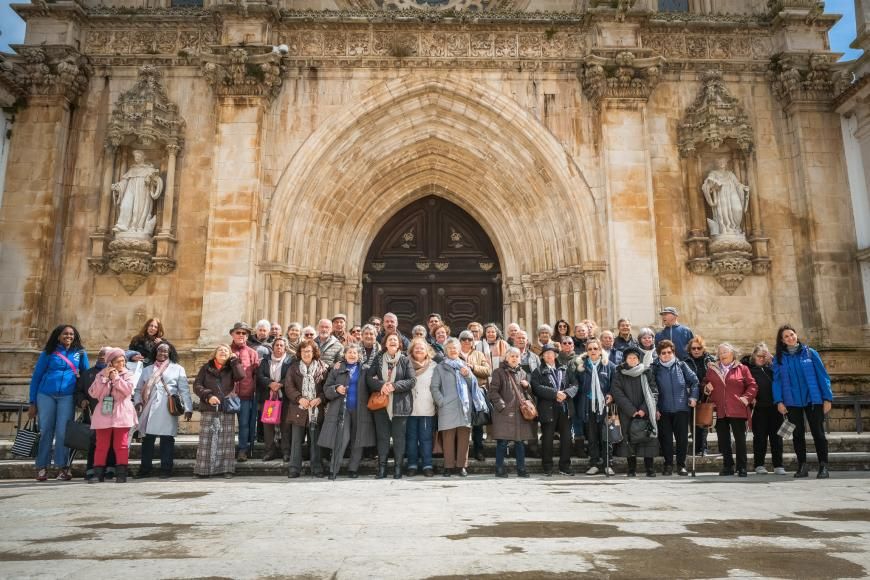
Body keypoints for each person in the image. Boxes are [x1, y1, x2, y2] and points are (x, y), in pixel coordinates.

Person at [29, 324, 89, 482]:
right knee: (46, 430)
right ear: (58, 336)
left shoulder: (80, 353)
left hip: (67, 396)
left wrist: (83, 398)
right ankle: (42, 467)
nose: (68, 336)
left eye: (71, 334)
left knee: (63, 432)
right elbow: (36, 377)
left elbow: (86, 376)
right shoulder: (48, 352)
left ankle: (63, 467)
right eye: (65, 334)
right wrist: (32, 402)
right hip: (46, 395)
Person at [772, 324, 833, 479]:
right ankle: (802, 466)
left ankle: (823, 466)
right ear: (782, 340)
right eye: (786, 336)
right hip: (791, 401)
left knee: (818, 433)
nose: (790, 338)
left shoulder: (810, 353)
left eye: (792, 334)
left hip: (813, 399)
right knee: (797, 435)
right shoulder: (779, 358)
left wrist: (827, 398)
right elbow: (777, 381)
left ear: (796, 335)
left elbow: (822, 376)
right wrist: (779, 401)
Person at [133, 342, 193, 478]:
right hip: (149, 408)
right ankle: (145, 469)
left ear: (170, 353)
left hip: (167, 407)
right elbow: (138, 389)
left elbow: (184, 390)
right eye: (160, 350)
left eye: (165, 351)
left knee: (167, 439)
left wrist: (188, 408)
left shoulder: (177, 369)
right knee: (147, 440)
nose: (162, 353)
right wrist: (137, 402)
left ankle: (166, 469)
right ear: (155, 352)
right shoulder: (147, 369)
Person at [319, 344, 376, 479]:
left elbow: (373, 383)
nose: (352, 355)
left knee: (358, 438)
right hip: (341, 409)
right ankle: (334, 468)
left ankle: (353, 469)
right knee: (341, 438)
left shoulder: (365, 369)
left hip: (360, 409)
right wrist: (336, 389)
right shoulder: (337, 368)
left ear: (359, 355)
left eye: (354, 353)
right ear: (344, 355)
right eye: (349, 352)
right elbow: (326, 389)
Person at [703, 343, 757, 478]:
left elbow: (752, 385)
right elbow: (704, 383)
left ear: (732, 353)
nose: (722, 355)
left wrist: (746, 398)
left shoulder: (742, 368)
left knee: (740, 439)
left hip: (737, 408)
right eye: (720, 352)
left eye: (725, 352)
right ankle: (728, 466)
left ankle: (742, 467)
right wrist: (706, 387)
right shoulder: (712, 369)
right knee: (723, 440)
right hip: (719, 408)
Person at [366, 333, 416, 479]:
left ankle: (398, 469)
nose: (393, 341)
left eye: (395, 339)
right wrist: (382, 385)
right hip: (381, 406)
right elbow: (369, 377)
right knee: (383, 437)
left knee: (399, 438)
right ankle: (382, 469)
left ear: (399, 344)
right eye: (390, 339)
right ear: (385, 344)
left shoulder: (405, 360)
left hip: (400, 405)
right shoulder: (378, 359)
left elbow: (412, 380)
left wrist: (394, 386)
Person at [193, 344, 245, 479]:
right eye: (220, 350)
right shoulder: (206, 368)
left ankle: (227, 469)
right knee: (206, 440)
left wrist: (234, 361)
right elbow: (197, 385)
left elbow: (241, 376)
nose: (223, 352)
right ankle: (203, 470)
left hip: (226, 407)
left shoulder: (232, 367)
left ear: (229, 354)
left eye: (226, 350)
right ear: (215, 354)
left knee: (227, 440)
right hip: (209, 407)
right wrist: (208, 396)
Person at [650, 339, 699, 476]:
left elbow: (694, 381)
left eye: (669, 352)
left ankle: (681, 465)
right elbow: (651, 390)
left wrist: (693, 397)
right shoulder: (654, 368)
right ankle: (668, 465)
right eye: (663, 353)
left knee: (682, 439)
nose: (666, 355)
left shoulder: (682, 365)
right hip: (663, 410)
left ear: (673, 352)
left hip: (681, 408)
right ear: (659, 354)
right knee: (665, 439)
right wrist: (655, 408)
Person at [87, 348, 136, 483]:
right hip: (104, 413)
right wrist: (104, 379)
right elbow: (94, 393)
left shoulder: (128, 374)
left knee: (121, 445)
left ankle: (121, 474)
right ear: (111, 363)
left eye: (123, 361)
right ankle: (98, 474)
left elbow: (127, 391)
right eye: (118, 361)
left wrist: (116, 379)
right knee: (101, 445)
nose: (121, 364)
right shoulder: (101, 375)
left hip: (122, 413)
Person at [431, 338, 476, 477]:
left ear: (459, 350)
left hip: (464, 407)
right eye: (449, 348)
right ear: (445, 351)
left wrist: (468, 375)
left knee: (464, 438)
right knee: (448, 438)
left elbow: (473, 386)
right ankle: (448, 466)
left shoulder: (464, 366)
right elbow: (434, 387)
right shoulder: (440, 367)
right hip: (447, 407)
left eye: (455, 348)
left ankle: (462, 466)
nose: (452, 350)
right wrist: (441, 402)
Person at [611, 346, 659, 477]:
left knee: (647, 439)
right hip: (627, 413)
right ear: (625, 360)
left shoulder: (646, 372)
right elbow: (617, 393)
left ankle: (650, 468)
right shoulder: (619, 374)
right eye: (630, 358)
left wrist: (643, 409)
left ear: (639, 360)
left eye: (635, 358)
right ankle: (631, 469)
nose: (632, 360)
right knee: (629, 440)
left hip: (646, 412)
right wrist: (631, 411)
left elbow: (653, 391)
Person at [488, 347, 535, 478]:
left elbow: (527, 394)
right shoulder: (498, 372)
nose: (514, 358)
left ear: (520, 359)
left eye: (517, 356)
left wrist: (527, 386)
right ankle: (499, 469)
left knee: (520, 442)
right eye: (512, 356)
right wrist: (502, 406)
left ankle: (521, 469)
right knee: (502, 442)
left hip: (519, 413)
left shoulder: (523, 373)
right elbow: (492, 392)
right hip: (503, 413)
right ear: (506, 358)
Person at [285, 339, 328, 478]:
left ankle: (317, 468)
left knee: (315, 440)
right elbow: (289, 387)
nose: (306, 353)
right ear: (300, 352)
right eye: (303, 351)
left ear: (314, 352)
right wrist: (299, 398)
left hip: (316, 409)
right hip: (298, 408)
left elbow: (327, 387)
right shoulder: (293, 368)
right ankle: (294, 468)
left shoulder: (323, 367)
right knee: (296, 441)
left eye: (309, 351)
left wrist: (320, 398)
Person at [532, 344, 578, 476]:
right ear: (542, 356)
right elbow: (536, 388)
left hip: (565, 407)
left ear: (556, 355)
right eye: (545, 353)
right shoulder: (538, 371)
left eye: (551, 353)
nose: (548, 355)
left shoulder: (565, 368)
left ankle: (565, 466)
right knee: (547, 438)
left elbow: (575, 384)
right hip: (547, 408)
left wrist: (566, 393)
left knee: (566, 438)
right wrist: (555, 394)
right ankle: (547, 467)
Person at [574, 338, 616, 476]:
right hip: (588, 405)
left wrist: (611, 394)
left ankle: (608, 464)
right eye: (590, 349)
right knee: (592, 437)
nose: (593, 351)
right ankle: (594, 464)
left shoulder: (609, 365)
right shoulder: (581, 367)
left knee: (606, 435)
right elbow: (576, 385)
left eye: (595, 348)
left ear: (600, 350)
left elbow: (615, 384)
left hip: (604, 405)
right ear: (587, 351)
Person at [742, 343, 785, 475]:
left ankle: (778, 465)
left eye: (764, 356)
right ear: (754, 356)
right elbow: (743, 386)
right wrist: (750, 397)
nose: (761, 359)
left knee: (777, 438)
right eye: (759, 356)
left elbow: (782, 379)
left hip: (775, 407)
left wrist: (772, 361)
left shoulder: (772, 369)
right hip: (758, 408)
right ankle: (759, 464)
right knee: (760, 437)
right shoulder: (748, 370)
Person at [75, 346, 116, 481]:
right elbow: (79, 391)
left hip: (112, 412)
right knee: (94, 441)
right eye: (100, 354)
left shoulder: (116, 373)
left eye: (105, 354)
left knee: (111, 440)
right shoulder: (88, 374)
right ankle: (91, 469)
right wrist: (82, 400)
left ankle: (110, 468)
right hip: (93, 412)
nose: (102, 356)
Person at [256, 336, 293, 462]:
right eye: (277, 345)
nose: (279, 347)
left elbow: (291, 376)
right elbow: (260, 375)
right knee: (268, 425)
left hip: (285, 398)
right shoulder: (265, 361)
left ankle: (286, 451)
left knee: (285, 426)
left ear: (285, 348)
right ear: (272, 347)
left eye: (281, 345)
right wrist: (270, 383)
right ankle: (269, 451)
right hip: (269, 398)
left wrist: (280, 384)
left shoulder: (290, 361)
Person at [405, 338, 437, 477]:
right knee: (411, 438)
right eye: (416, 348)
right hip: (409, 407)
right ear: (411, 350)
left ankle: (427, 465)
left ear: (427, 351)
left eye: (422, 348)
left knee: (426, 438)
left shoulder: (434, 366)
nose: (419, 350)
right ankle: (412, 465)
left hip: (427, 407)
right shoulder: (405, 363)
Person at [459, 330, 492, 462]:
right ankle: (462, 453)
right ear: (459, 341)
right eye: (464, 339)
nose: (467, 341)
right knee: (462, 424)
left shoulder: (479, 354)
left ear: (473, 341)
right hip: (461, 393)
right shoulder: (455, 354)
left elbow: (487, 371)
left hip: (477, 392)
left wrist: (473, 367)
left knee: (478, 424)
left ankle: (479, 451)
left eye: (470, 339)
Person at [229, 322, 260, 462]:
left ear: (247, 336)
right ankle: (226, 450)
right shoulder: (225, 350)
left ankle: (242, 450)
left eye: (244, 333)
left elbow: (256, 375)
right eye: (238, 332)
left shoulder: (252, 353)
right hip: (228, 395)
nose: (241, 335)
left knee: (244, 424)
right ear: (232, 334)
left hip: (246, 396)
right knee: (226, 425)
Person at [684, 336, 716, 456]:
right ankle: (697, 448)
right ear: (690, 350)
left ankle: (703, 448)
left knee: (704, 422)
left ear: (703, 348)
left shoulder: (710, 360)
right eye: (693, 348)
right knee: (694, 423)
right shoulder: (685, 362)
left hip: (706, 395)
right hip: (691, 394)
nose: (696, 350)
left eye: (699, 348)